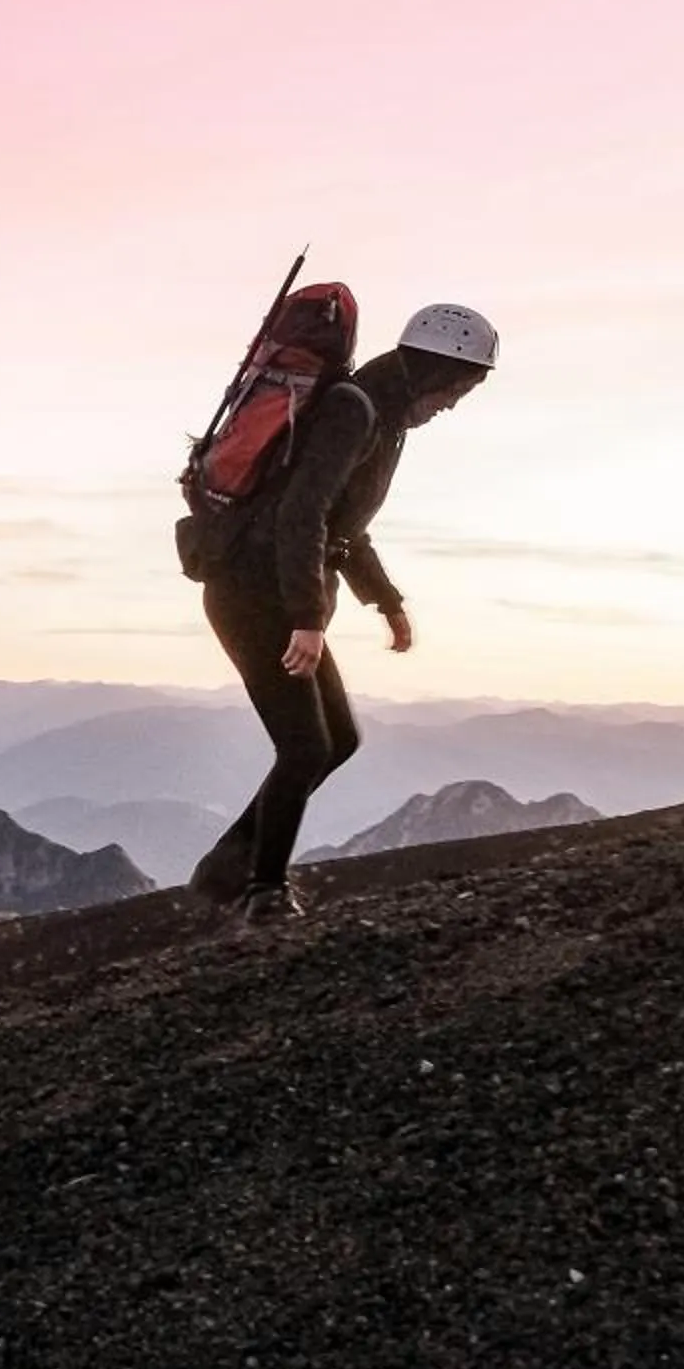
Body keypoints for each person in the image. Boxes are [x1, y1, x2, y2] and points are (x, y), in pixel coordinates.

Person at [187, 306, 499, 921]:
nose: (454, 403)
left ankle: (231, 866)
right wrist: (307, 616)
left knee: (339, 740)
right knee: (305, 746)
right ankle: (264, 893)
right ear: (437, 367)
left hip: (273, 591)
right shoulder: (353, 410)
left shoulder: (382, 417)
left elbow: (343, 528)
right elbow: (301, 514)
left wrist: (387, 603)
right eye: (459, 387)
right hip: (255, 594)